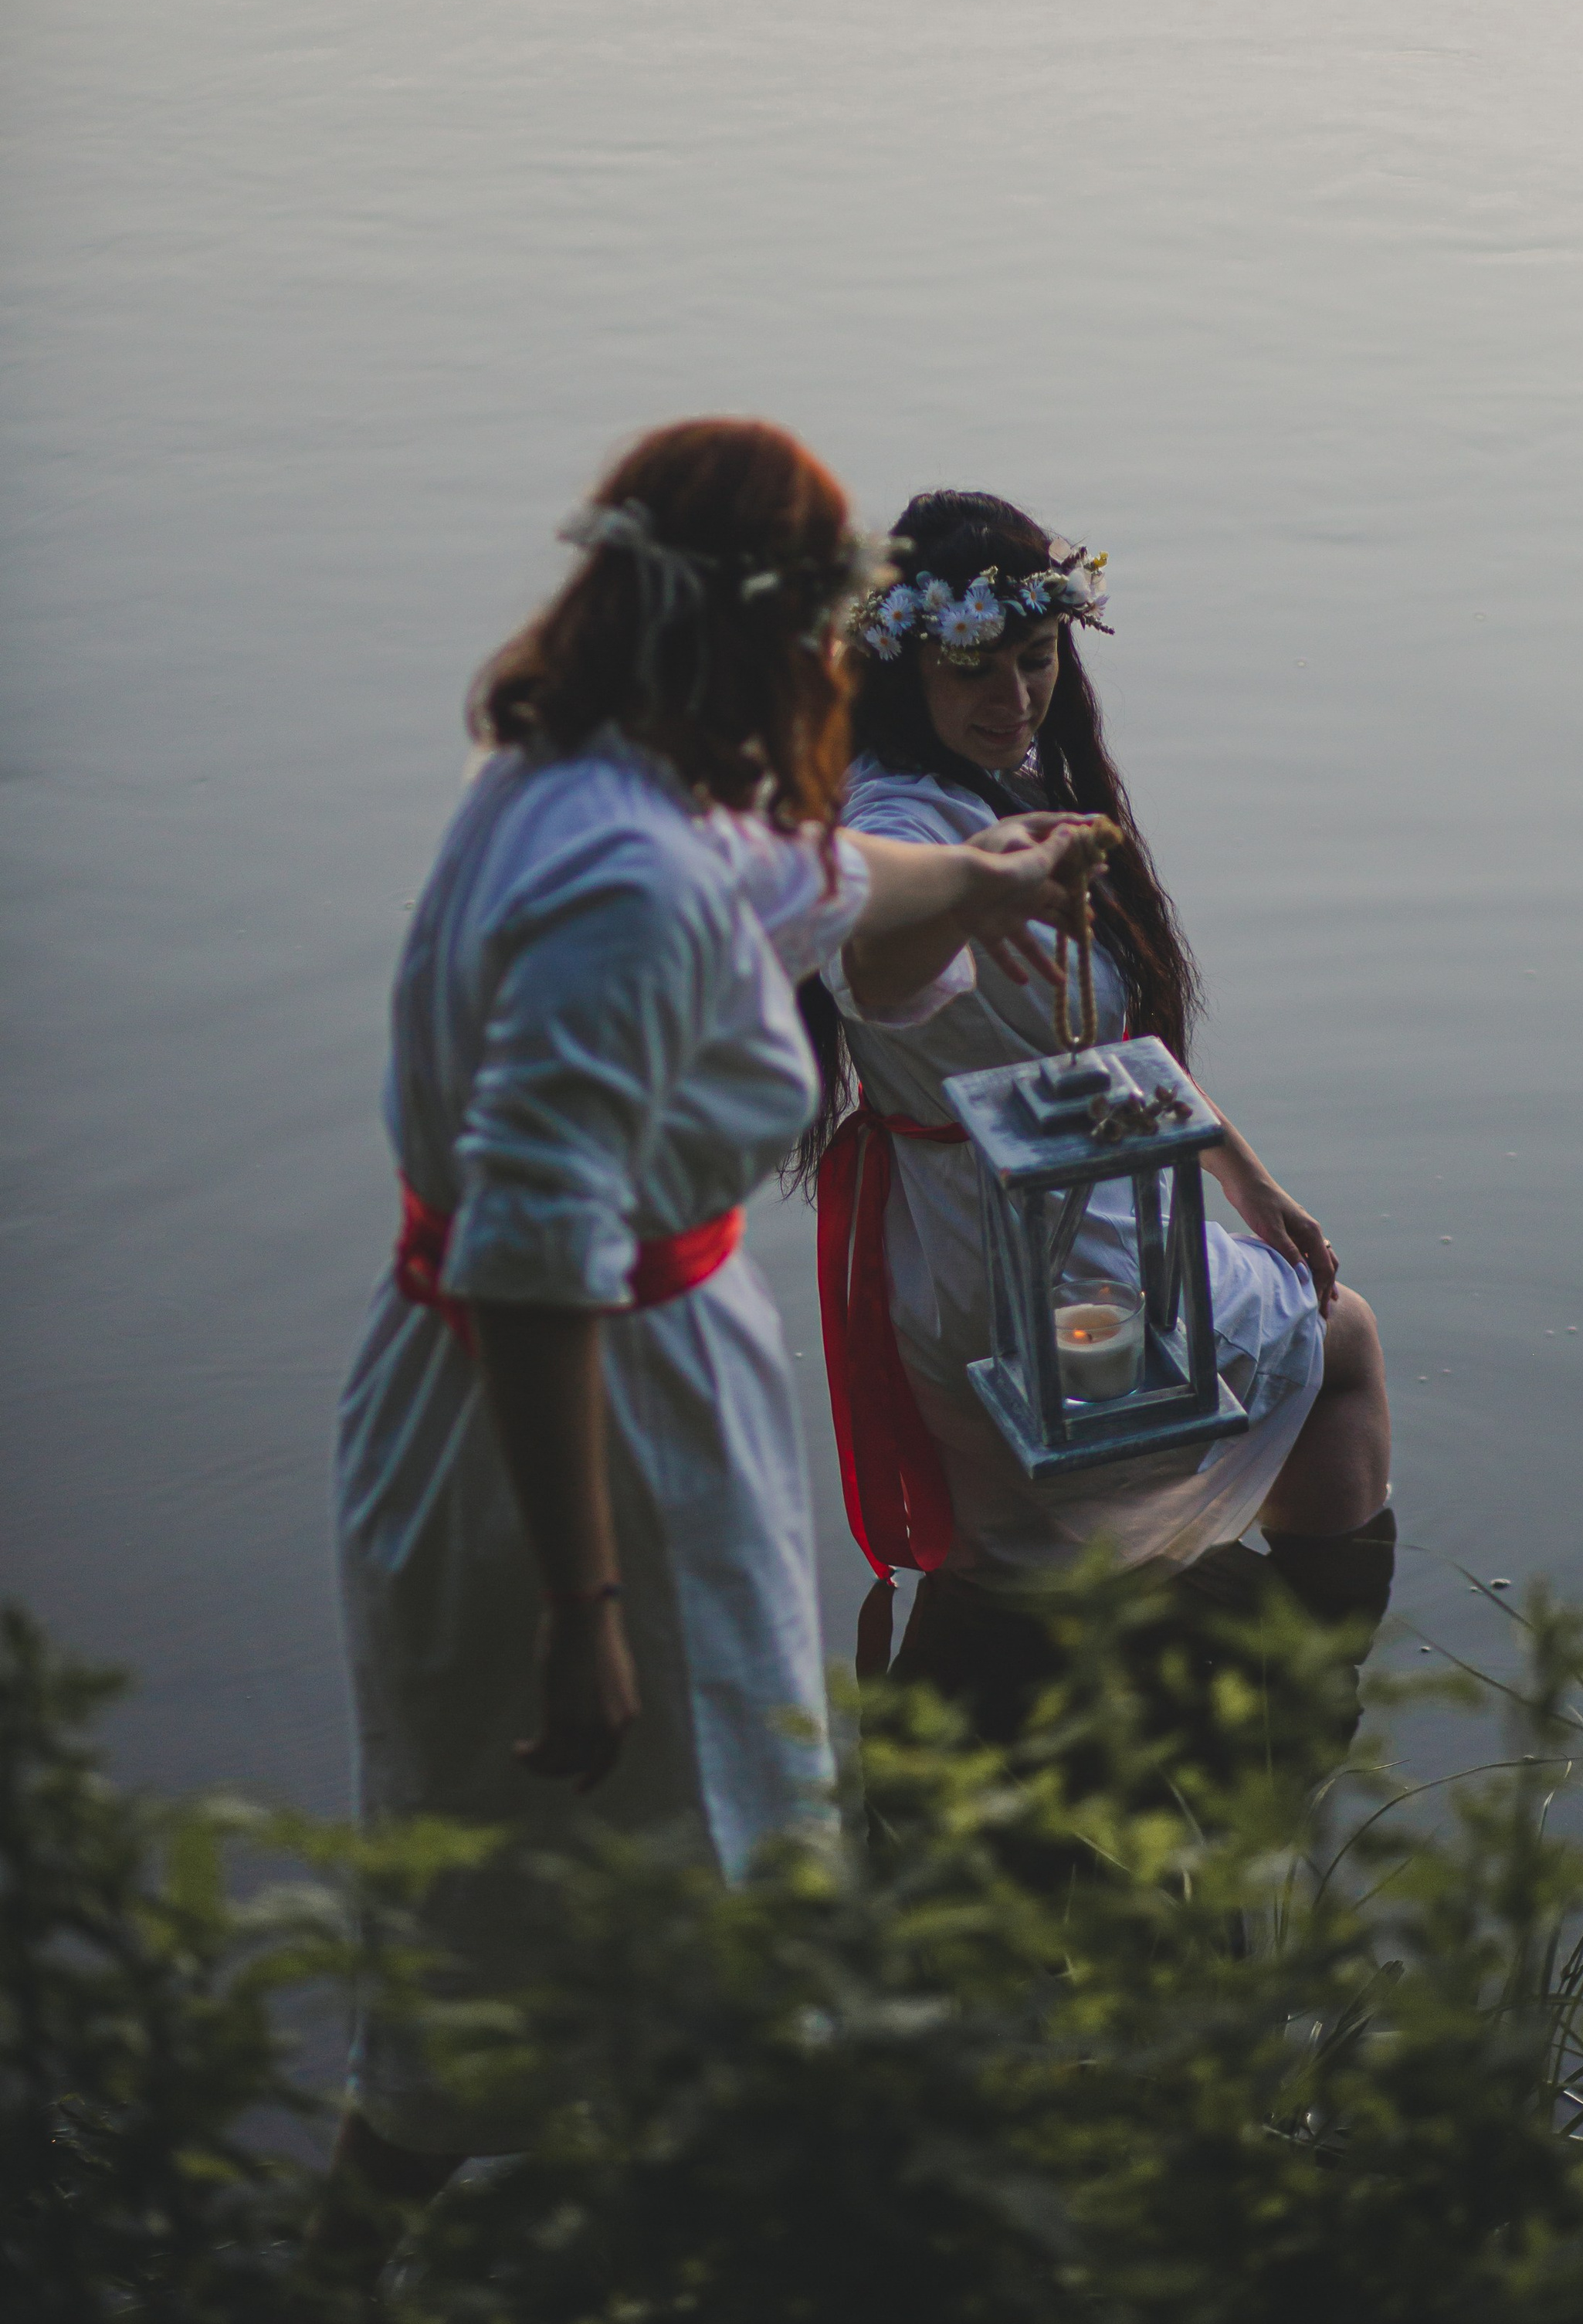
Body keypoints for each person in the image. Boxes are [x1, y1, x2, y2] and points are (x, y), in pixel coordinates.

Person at [331, 425, 1093, 2209]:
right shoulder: (620, 882)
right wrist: (582, 1605)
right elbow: (532, 1254)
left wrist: (983, 878)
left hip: (572, 1392)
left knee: (570, 1909)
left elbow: (817, 887)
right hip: (569, 1428)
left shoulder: (591, 781)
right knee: (643, 1890)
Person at [799, 490, 1393, 1730]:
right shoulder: (901, 827)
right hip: (1062, 1268)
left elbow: (1111, 1052)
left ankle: (988, 1807)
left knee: (1020, 1552)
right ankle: (1311, 1707)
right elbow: (873, 959)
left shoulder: (965, 787)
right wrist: (974, 890)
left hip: (938, 1259)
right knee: (1339, 1348)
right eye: (970, 668)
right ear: (905, 664)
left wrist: (1244, 1175)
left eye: (1033, 659)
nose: (1011, 698)